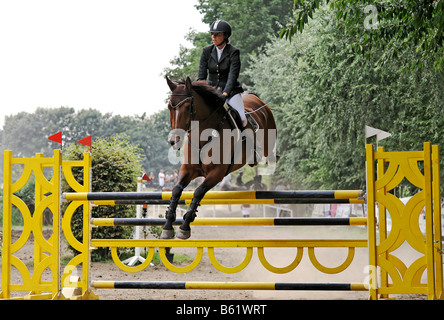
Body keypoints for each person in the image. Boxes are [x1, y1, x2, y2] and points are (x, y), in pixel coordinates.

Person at [198, 19, 247, 128]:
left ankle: (246, 143)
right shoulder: (206, 51)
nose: (213, 37)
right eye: (212, 34)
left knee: (242, 119)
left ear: (225, 36)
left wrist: (225, 93)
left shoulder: (233, 52)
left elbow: (232, 76)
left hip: (231, 92)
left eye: (217, 34)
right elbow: (201, 76)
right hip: (212, 91)